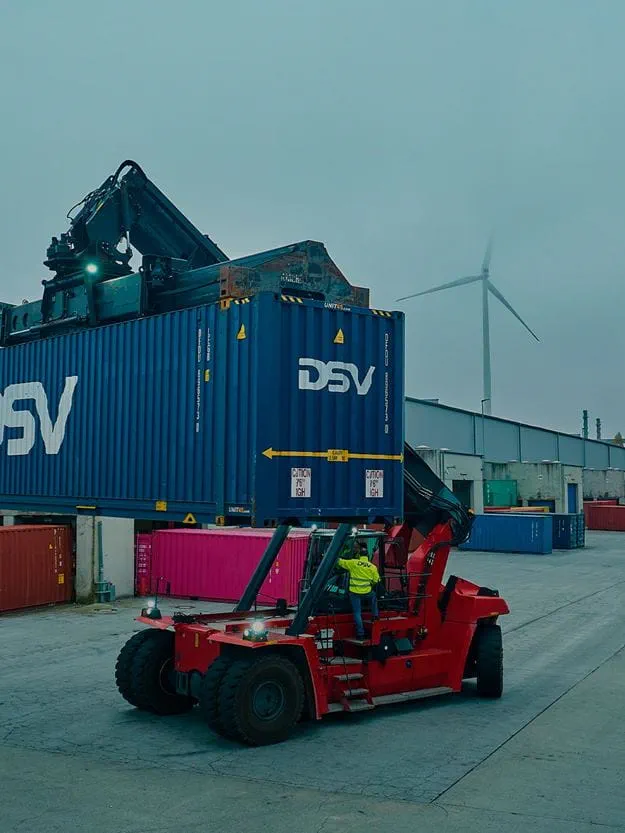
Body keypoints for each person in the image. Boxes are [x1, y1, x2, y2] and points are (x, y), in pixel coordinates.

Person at [337, 542, 380, 639]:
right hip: (366, 592)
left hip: (355, 593)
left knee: (357, 613)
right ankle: (375, 615)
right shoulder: (372, 567)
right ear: (367, 556)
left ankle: (360, 634)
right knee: (373, 596)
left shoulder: (353, 563)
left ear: (359, 555)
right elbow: (377, 580)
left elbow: (340, 562)